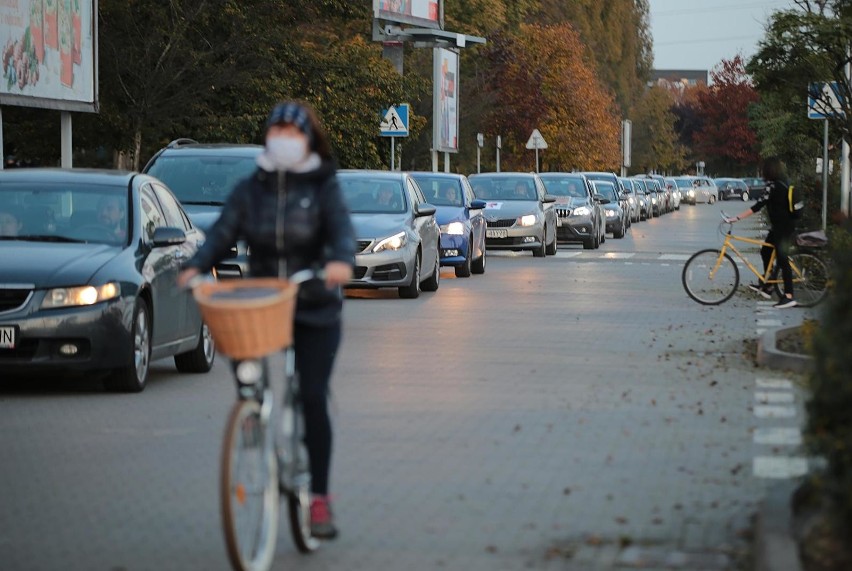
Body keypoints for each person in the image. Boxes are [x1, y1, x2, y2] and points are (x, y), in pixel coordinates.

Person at [178, 101, 355, 539]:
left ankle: (319, 499)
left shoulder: (323, 187)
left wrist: (340, 262)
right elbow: (222, 233)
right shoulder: (249, 189)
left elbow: (341, 231)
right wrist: (197, 265)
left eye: (291, 132)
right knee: (249, 380)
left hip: (314, 305)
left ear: (307, 139)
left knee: (312, 396)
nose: (283, 139)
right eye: (275, 130)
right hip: (263, 304)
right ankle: (253, 423)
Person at [725, 156, 803, 309]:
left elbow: (758, 206)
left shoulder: (774, 186)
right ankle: (768, 284)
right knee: (766, 251)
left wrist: (736, 218)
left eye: (763, 169)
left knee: (782, 259)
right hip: (780, 226)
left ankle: (789, 296)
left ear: (768, 170)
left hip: (784, 228)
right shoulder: (781, 182)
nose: (762, 172)